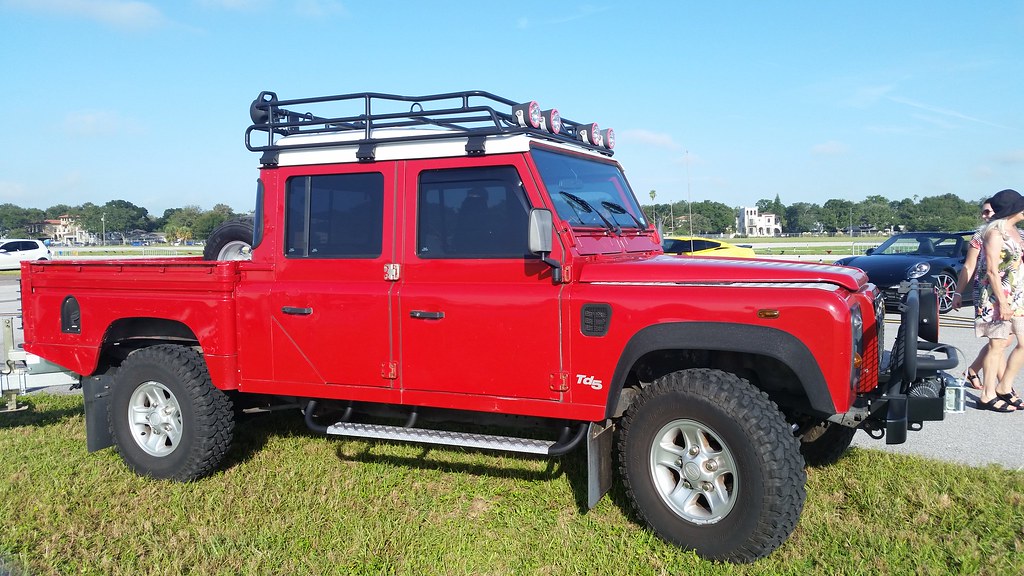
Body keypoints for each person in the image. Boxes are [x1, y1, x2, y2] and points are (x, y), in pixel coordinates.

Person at [973, 189, 1024, 412]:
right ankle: (987, 395)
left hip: (1017, 295)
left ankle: (1004, 387)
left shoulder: (1015, 232)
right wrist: (1002, 302)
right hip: (996, 297)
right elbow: (992, 271)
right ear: (1013, 209)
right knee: (997, 345)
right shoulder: (994, 233)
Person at [953, 200, 995, 389]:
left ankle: (972, 371)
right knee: (998, 341)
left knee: (1003, 341)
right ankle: (1003, 388)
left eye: (988, 212)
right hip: (986, 292)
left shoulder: (1017, 235)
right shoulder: (980, 236)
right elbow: (969, 266)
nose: (985, 216)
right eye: (983, 212)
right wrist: (958, 293)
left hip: (1011, 293)